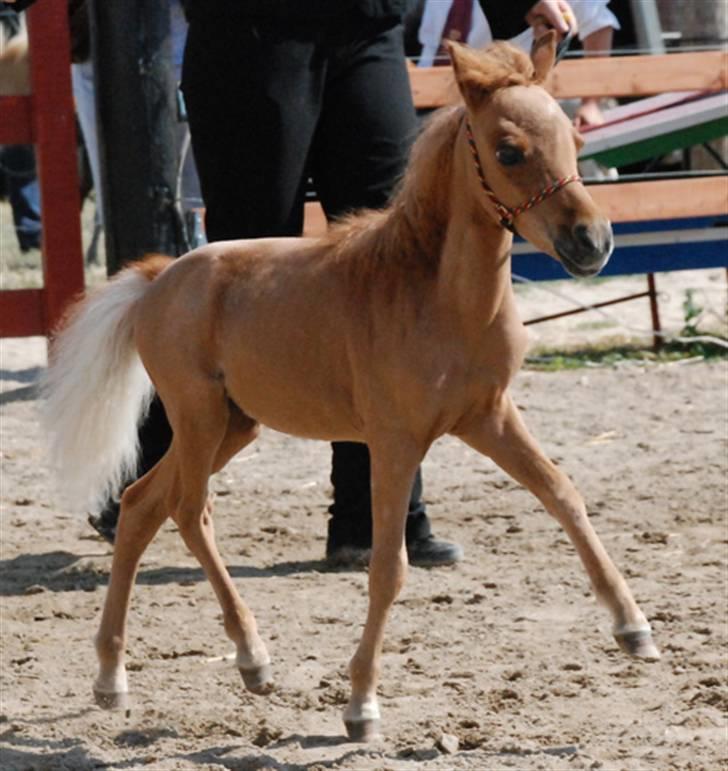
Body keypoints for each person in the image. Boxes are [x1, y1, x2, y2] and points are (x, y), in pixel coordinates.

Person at [85, 0, 574, 568]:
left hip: (367, 27)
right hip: (249, 36)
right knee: (249, 275)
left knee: (396, 264)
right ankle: (140, 478)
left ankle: (371, 524)